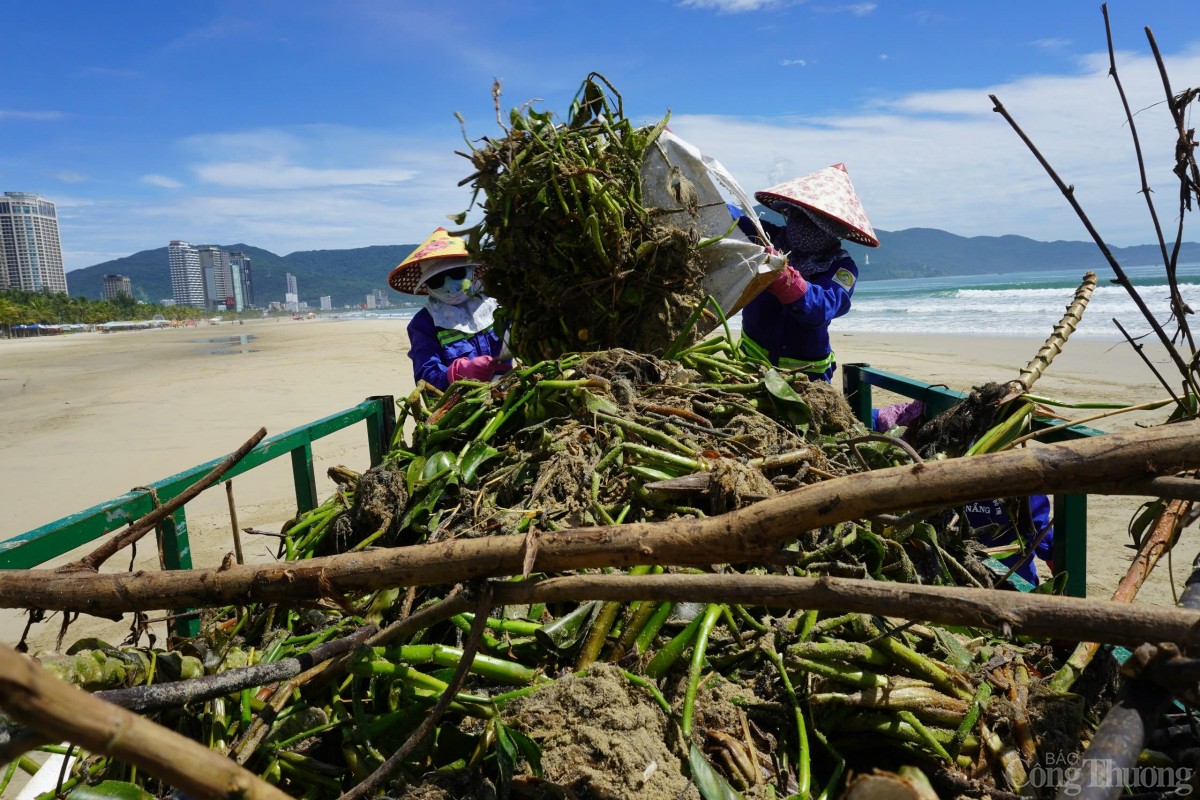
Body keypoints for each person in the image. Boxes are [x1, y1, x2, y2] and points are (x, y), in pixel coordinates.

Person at [732, 163, 879, 382]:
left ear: (833, 231)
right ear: (789, 213)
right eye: (799, 217)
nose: (804, 227)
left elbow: (822, 306)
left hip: (806, 376)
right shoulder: (768, 238)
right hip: (749, 363)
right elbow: (730, 218)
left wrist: (785, 280)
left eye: (815, 223)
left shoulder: (841, 267)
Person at [387, 227, 511, 390]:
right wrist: (458, 372)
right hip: (461, 406)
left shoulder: (499, 304)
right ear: (427, 285)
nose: (449, 285)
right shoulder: (424, 323)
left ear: (471, 270)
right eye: (437, 280)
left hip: (508, 391)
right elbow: (425, 376)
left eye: (456, 272)